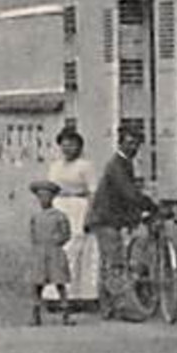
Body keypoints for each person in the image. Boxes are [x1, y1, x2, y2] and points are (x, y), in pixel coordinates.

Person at [85, 125, 157, 322]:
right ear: (121, 143)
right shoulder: (117, 165)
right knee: (115, 262)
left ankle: (107, 307)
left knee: (108, 262)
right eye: (129, 142)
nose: (132, 147)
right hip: (106, 219)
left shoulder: (124, 164)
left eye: (136, 143)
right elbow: (128, 193)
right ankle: (126, 308)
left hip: (107, 219)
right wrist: (150, 205)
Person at [46, 126, 99, 304]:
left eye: (72, 145)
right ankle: (55, 294)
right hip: (59, 205)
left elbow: (92, 192)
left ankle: (80, 295)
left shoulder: (85, 166)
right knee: (57, 250)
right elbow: (49, 189)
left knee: (77, 250)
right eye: (64, 145)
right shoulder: (55, 166)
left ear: (79, 147)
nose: (68, 148)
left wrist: (90, 214)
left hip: (78, 207)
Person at [28, 180, 74, 326]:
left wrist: (57, 241)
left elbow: (66, 234)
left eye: (47, 197)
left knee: (60, 282)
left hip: (55, 252)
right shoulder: (36, 217)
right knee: (37, 284)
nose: (44, 200)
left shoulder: (59, 216)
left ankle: (66, 314)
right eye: (40, 197)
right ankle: (35, 316)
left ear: (52, 198)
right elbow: (32, 234)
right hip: (40, 253)